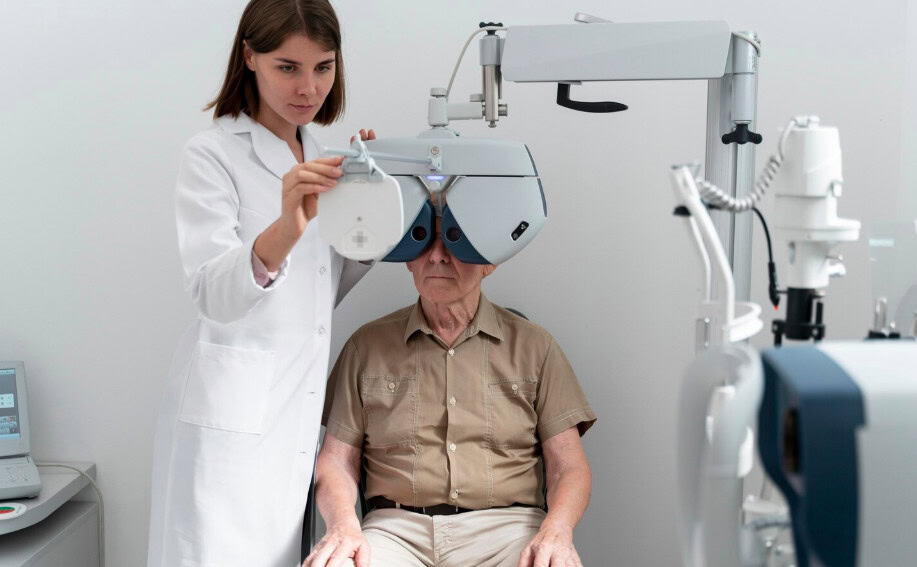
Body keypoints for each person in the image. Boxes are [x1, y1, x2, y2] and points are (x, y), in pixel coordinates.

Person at [147, 1, 374, 565]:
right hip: (230, 418)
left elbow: (320, 293)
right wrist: (287, 225)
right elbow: (213, 295)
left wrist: (372, 202)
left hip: (295, 412)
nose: (309, 87)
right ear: (248, 56)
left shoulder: (322, 156)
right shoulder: (214, 154)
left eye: (323, 66)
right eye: (287, 67)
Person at [306, 217, 597, 567]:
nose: (437, 257)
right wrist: (343, 526)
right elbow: (336, 461)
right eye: (425, 242)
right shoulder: (365, 347)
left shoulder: (536, 348)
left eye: (455, 241)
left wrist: (557, 531)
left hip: (508, 532)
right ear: (410, 259)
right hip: (395, 533)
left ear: (489, 262)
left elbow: (569, 467)